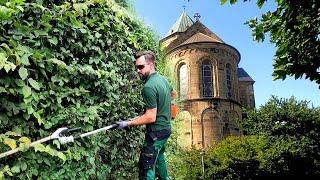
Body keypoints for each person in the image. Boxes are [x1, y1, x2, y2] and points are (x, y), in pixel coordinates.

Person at [116, 50, 175, 180]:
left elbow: (150, 117)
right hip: (166, 129)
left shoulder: (148, 87)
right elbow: (173, 94)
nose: (138, 70)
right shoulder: (163, 80)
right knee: (159, 157)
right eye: (137, 67)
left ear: (151, 65)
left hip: (156, 133)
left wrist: (128, 123)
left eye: (141, 67)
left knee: (146, 165)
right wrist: (170, 112)